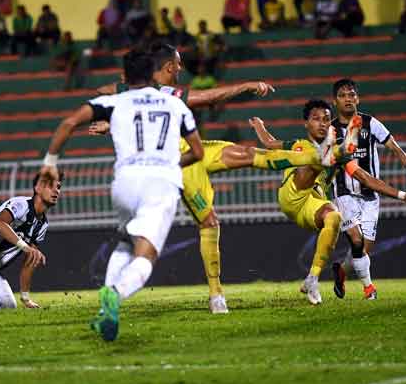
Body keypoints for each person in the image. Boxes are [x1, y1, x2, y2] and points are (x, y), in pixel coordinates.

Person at [90, 43, 344, 313]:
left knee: (249, 153)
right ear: (166, 67)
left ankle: (318, 158)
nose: (181, 67)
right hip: (180, 163)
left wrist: (117, 112)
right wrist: (246, 87)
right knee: (209, 222)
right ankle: (215, 294)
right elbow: (209, 97)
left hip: (191, 149)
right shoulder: (157, 92)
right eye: (177, 63)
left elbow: (103, 92)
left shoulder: (147, 91)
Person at [40, 50, 204, 341]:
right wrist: (167, 164)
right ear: (154, 74)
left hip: (125, 184)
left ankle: (106, 308)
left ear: (124, 77)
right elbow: (198, 152)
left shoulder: (112, 102)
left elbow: (68, 123)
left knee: (127, 240)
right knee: (146, 255)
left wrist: (50, 164)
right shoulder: (175, 105)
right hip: (160, 184)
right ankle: (114, 295)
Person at [250, 102, 406, 304]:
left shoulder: (339, 155)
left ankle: (312, 279)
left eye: (326, 119)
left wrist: (403, 195)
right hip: (291, 196)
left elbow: (366, 178)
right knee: (313, 156)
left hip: (312, 203)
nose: (322, 123)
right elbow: (269, 142)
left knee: (334, 216)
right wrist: (259, 126)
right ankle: (320, 157)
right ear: (306, 123)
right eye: (316, 119)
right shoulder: (298, 144)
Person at [330, 78, 406, 300]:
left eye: (352, 95)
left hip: (370, 195)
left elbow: (394, 146)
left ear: (358, 98)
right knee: (355, 241)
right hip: (345, 193)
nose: (348, 99)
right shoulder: (331, 130)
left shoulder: (369, 123)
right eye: (343, 95)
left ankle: (341, 271)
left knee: (363, 250)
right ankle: (369, 290)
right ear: (335, 101)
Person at [0, 173, 62, 310]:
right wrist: (25, 246)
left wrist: (26, 298)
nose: (56, 190)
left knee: (0, 307)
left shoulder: (42, 225)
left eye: (58, 187)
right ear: (38, 188)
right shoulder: (21, 204)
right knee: (5, 305)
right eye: (51, 186)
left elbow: (29, 261)